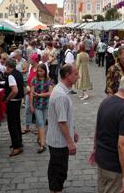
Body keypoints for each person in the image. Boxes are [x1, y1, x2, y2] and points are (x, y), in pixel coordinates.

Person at [94, 74, 124, 193]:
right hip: (115, 166)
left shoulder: (106, 101)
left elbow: (97, 129)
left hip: (102, 160)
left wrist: (95, 149)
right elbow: (123, 144)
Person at [46, 64, 79, 193]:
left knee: (57, 169)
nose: (78, 76)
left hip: (59, 139)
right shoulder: (61, 95)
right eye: (76, 74)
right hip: (59, 141)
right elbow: (62, 122)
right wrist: (70, 142)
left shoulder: (63, 90)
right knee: (58, 171)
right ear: (67, 75)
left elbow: (66, 117)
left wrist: (73, 131)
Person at [30, 63, 54, 153]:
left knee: (42, 123)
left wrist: (39, 95)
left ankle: (40, 137)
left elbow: (50, 93)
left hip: (46, 104)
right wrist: (31, 105)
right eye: (38, 71)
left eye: (41, 71)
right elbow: (32, 93)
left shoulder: (49, 80)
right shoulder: (34, 80)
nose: (40, 73)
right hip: (37, 105)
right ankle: (42, 145)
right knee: (40, 123)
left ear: (45, 71)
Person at [4, 58, 25, 157]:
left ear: (8, 66)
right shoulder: (19, 73)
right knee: (16, 123)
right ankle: (18, 142)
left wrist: (7, 99)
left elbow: (15, 90)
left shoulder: (11, 76)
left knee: (12, 124)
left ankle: (17, 146)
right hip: (18, 101)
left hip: (13, 102)